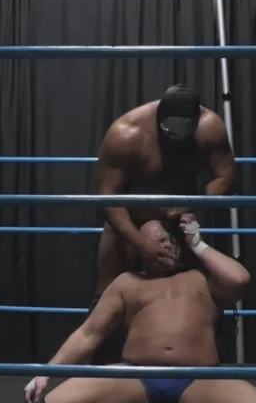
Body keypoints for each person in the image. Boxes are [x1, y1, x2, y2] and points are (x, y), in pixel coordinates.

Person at [23, 215, 256, 403]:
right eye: (153, 242)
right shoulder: (127, 283)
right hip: (136, 379)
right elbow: (88, 334)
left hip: (197, 380)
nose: (162, 246)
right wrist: (46, 372)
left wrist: (197, 244)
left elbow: (240, 279)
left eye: (165, 240)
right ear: (140, 249)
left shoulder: (202, 279)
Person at [90, 83, 237, 363]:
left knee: (196, 292)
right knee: (107, 292)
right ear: (159, 118)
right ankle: (100, 371)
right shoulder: (127, 133)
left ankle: (200, 370)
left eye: (184, 133)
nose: (176, 139)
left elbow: (226, 176)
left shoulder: (210, 128)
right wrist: (139, 242)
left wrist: (194, 202)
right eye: (170, 132)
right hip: (129, 220)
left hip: (180, 219)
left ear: (196, 121)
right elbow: (108, 197)